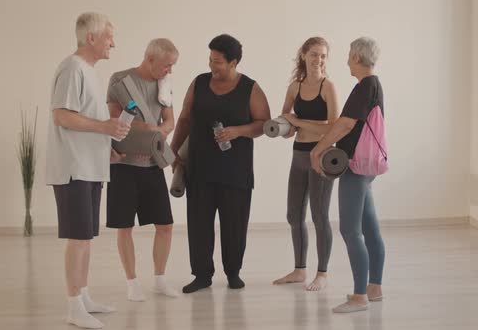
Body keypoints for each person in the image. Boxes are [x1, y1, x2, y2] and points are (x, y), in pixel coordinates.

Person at [46, 12, 129, 329]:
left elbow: (85, 122)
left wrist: (105, 145)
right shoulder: (71, 68)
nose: (113, 43)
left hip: (91, 166)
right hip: (73, 168)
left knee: (87, 236)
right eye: (109, 37)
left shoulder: (88, 72)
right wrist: (105, 126)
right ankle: (72, 306)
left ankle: (82, 297)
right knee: (78, 238)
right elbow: (62, 117)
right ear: (91, 37)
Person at [170, 34, 271, 293]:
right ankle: (201, 275)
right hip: (200, 167)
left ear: (233, 62)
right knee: (199, 223)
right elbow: (184, 119)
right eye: (210, 60)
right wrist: (173, 150)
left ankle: (233, 272)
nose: (212, 66)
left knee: (234, 224)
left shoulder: (251, 88)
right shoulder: (199, 83)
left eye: (217, 61)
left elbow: (263, 124)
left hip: (235, 171)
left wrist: (238, 131)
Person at [310, 37, 385, 313]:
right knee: (369, 228)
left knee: (350, 230)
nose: (346, 61)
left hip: (355, 167)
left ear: (356, 57)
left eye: (348, 55)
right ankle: (373, 288)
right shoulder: (373, 85)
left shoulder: (365, 86)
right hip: (366, 166)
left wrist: (318, 149)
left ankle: (358, 296)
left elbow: (344, 124)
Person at [106, 38, 179, 301]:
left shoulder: (164, 84)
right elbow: (114, 121)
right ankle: (132, 282)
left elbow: (170, 120)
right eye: (166, 65)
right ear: (150, 59)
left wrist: (154, 134)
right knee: (125, 226)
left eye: (172, 66)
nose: (169, 71)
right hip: (124, 165)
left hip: (152, 164)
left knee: (166, 225)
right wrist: (146, 131)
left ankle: (160, 279)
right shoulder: (120, 80)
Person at [272, 37, 339, 291]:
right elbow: (286, 122)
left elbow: (333, 126)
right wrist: (283, 126)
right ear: (303, 55)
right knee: (293, 215)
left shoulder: (327, 87)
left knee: (319, 215)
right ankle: (300, 270)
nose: (318, 60)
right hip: (298, 154)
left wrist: (297, 122)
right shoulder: (294, 87)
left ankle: (322, 273)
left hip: (321, 155)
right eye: (314, 54)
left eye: (322, 56)